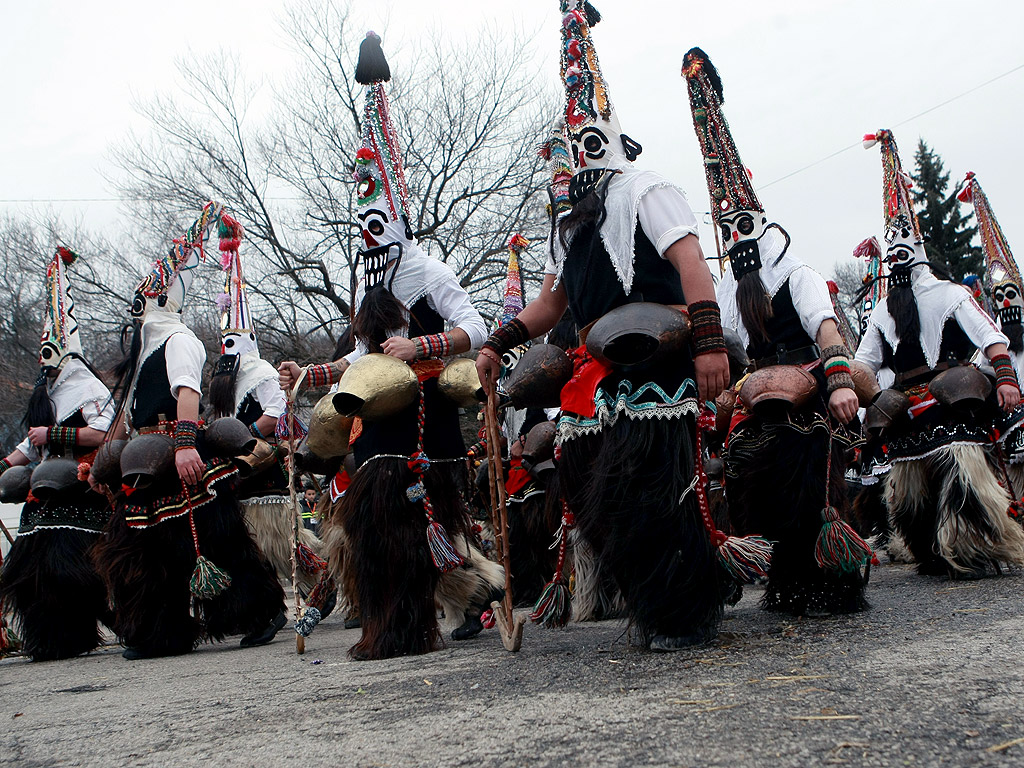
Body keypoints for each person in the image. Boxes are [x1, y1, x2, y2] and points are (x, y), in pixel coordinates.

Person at [477, 2, 732, 650]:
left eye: (592, 144)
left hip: (666, 363)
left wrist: (707, 343)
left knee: (656, 491)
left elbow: (692, 266)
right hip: (611, 378)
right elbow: (550, 308)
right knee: (604, 497)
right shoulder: (574, 227)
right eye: (574, 147)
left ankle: (684, 609)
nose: (583, 158)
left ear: (612, 140)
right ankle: (658, 600)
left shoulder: (648, 190)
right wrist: (499, 344)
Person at [280, 33, 502, 660]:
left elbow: (476, 324)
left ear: (394, 218)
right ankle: (397, 623)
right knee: (378, 528)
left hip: (428, 420)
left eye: (376, 222)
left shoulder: (426, 271)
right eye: (361, 224)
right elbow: (361, 360)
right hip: (380, 426)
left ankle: (451, 606)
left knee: (430, 526)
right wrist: (315, 372)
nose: (368, 232)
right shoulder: (369, 279)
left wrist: (425, 345)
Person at [681, 48, 870, 616]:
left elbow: (829, 331)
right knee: (741, 467)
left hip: (808, 385)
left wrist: (838, 382)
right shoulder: (729, 294)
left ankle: (829, 575)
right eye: (726, 231)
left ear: (761, 227)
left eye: (744, 228)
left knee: (806, 464)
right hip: (754, 392)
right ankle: (776, 573)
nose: (737, 240)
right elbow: (729, 354)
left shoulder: (800, 275)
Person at [92, 202, 287, 659]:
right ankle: (162, 632)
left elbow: (187, 396)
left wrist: (183, 448)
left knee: (210, 540)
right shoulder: (144, 351)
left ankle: (259, 610)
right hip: (144, 460)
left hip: (177, 454)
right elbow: (129, 411)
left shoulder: (179, 339)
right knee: (146, 547)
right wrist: (107, 459)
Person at [855, 131, 1024, 577]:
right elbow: (994, 340)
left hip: (911, 407)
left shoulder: (885, 309)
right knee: (952, 474)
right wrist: (1001, 378)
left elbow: (861, 366)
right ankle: (961, 548)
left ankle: (937, 550)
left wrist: (872, 396)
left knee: (920, 484)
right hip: (948, 401)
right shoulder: (947, 294)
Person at [0, 247, 114, 660]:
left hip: (79, 489)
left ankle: (107, 621)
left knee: (73, 571)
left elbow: (103, 433)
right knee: (31, 573)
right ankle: (53, 640)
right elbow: (31, 445)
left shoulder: (90, 390)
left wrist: (56, 432)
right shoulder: (44, 393)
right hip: (41, 493)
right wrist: (6, 465)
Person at [207, 220, 327, 597]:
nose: (227, 347)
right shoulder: (222, 378)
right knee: (251, 546)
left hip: (262, 463)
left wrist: (244, 440)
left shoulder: (260, 372)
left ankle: (324, 578)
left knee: (281, 542)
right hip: (235, 470)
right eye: (223, 340)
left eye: (232, 340)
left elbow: (274, 417)